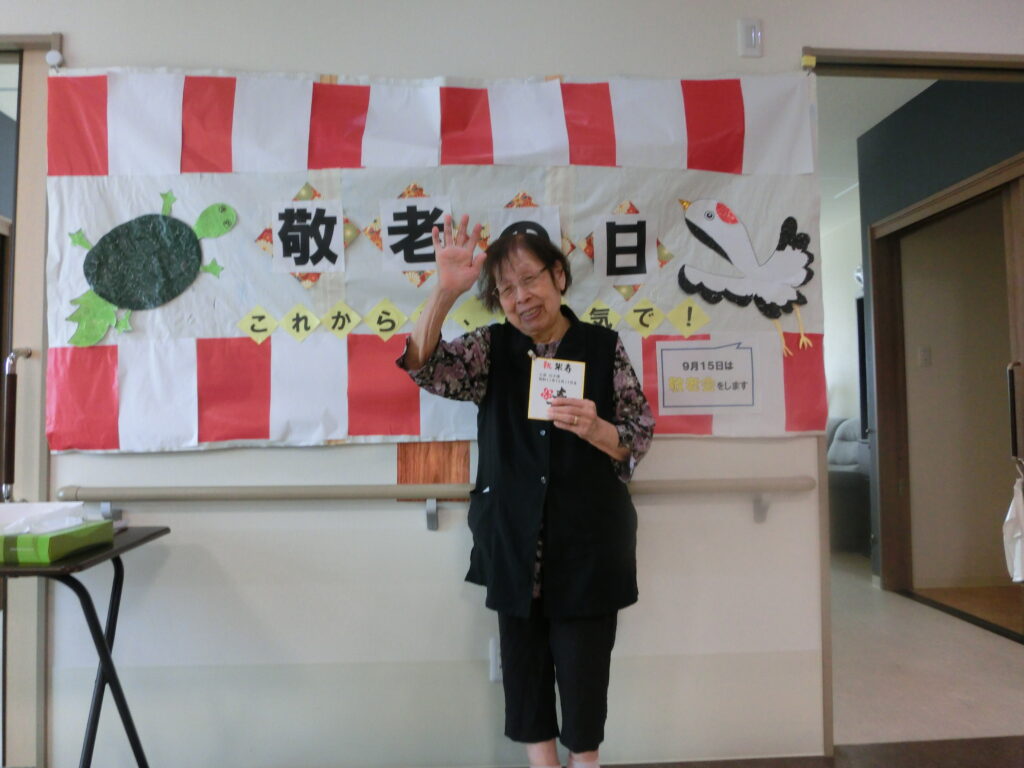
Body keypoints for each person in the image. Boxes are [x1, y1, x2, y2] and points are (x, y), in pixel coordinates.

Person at [398, 214, 655, 768]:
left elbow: (638, 434)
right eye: (506, 289)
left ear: (558, 275)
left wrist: (597, 429)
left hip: (589, 544)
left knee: (585, 673)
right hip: (514, 542)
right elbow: (423, 365)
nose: (520, 298)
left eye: (530, 279)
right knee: (523, 669)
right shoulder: (492, 349)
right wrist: (445, 292)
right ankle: (542, 764)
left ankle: (585, 762)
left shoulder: (603, 347)